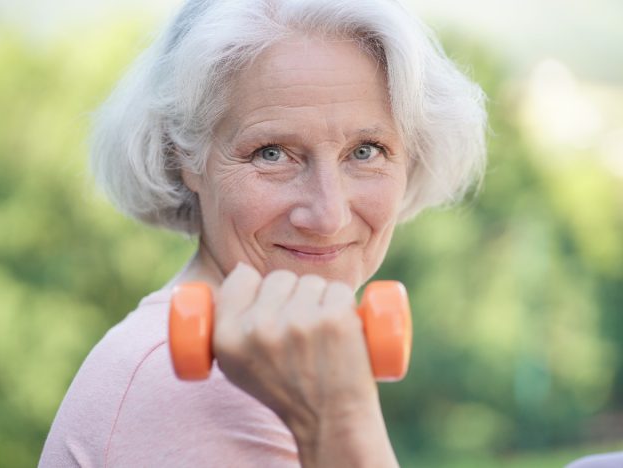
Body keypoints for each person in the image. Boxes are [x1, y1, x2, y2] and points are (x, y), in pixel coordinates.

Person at [40, 0, 488, 466]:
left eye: (366, 151)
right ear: (185, 158)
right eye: (272, 153)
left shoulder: (279, 369)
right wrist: (339, 419)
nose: (328, 216)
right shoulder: (186, 383)